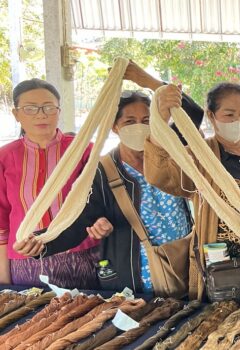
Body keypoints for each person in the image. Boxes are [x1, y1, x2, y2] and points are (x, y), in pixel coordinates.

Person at [14, 88, 203, 294]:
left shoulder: (171, 154)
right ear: (114, 126)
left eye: (147, 120)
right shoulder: (103, 170)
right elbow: (78, 222)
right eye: (129, 121)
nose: (139, 127)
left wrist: (148, 82)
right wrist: (41, 242)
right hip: (135, 276)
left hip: (184, 265)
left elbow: (193, 113)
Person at [144, 82, 240, 300]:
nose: (238, 120)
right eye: (229, 114)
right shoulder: (200, 155)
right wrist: (160, 119)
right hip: (225, 269)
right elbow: (161, 175)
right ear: (211, 115)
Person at [0, 79, 99, 288]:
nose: (41, 114)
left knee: (88, 315)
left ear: (58, 110)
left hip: (82, 256)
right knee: (32, 319)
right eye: (30, 108)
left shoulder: (84, 151)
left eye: (48, 107)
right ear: (16, 114)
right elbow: (1, 224)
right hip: (25, 261)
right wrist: (4, 282)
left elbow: (99, 203)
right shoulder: (5, 157)